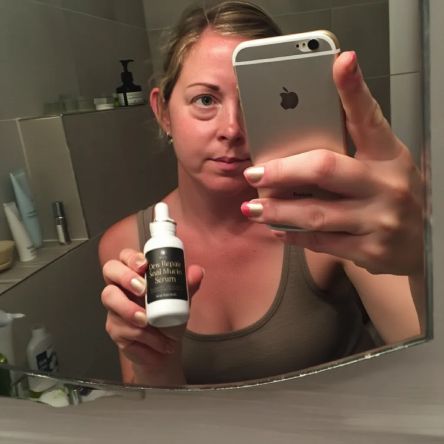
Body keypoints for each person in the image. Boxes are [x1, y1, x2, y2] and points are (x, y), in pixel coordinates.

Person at [99, 1, 424, 387]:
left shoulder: (325, 217)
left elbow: (426, 359)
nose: (232, 129)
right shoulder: (125, 245)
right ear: (163, 112)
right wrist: (155, 361)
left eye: (253, 102)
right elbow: (153, 411)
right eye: (206, 100)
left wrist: (422, 259)